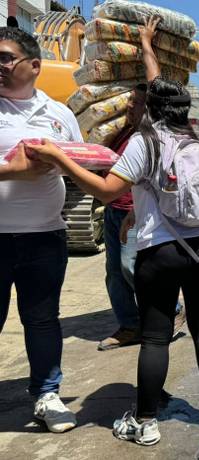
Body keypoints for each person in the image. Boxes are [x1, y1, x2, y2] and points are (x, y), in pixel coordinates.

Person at [29, 77, 199, 445]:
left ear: (150, 108)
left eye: (136, 103)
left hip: (163, 253)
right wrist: (135, 213)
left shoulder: (145, 142)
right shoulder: (195, 140)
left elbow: (109, 191)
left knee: (155, 338)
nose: (129, 109)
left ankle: (146, 423)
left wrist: (60, 158)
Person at [0, 26, 81, 434]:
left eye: (4, 58)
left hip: (45, 237)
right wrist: (13, 169)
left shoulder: (59, 113)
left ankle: (47, 395)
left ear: (34, 65)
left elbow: (81, 162)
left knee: (43, 319)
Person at [99, 17, 186, 351]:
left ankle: (172, 308)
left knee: (130, 266)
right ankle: (130, 325)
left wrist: (147, 44)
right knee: (113, 274)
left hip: (137, 211)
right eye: (130, 103)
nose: (132, 108)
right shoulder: (116, 130)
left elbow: (156, 83)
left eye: (138, 104)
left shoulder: (153, 133)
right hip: (113, 211)